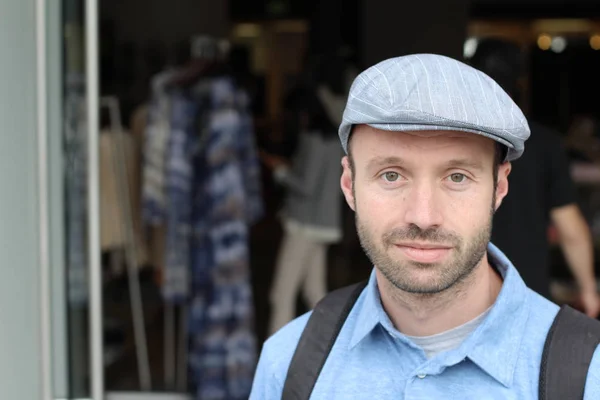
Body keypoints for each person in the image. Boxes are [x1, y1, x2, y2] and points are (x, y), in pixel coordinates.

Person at [249, 54, 600, 399]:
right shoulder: (288, 361)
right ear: (348, 184)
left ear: (500, 187)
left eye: (457, 177)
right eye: (391, 175)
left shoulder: (588, 374)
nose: (423, 215)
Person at [469, 38, 600, 316]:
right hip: (527, 294)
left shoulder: (456, 138)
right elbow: (571, 229)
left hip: (460, 293)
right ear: (521, 80)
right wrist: (588, 290)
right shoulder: (543, 142)